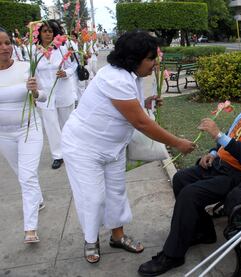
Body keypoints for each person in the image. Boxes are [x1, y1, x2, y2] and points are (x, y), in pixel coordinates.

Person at [61, 31, 196, 264]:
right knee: (92, 197)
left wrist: (146, 102)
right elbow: (141, 122)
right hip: (83, 147)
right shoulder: (115, 78)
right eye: (151, 59)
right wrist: (177, 143)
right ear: (134, 59)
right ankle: (91, 239)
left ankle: (118, 236)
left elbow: (127, 108)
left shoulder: (130, 76)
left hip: (112, 147)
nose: (154, 64)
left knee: (116, 192)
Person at [138, 73, 241, 276]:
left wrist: (218, 135)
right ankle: (204, 231)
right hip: (220, 166)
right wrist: (214, 153)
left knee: (190, 194)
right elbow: (229, 141)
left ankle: (173, 255)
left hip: (239, 177)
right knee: (181, 178)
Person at [0, 27, 47, 243]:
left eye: (7, 42)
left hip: (29, 129)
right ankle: (37, 199)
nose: (5, 48)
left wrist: (35, 91)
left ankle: (30, 228)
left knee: (27, 175)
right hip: (4, 134)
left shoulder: (26, 67)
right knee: (22, 174)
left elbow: (44, 96)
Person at [35, 20, 76, 169]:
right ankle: (58, 155)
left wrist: (65, 73)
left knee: (67, 124)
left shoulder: (61, 49)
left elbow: (74, 66)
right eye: (44, 31)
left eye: (50, 31)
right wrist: (34, 94)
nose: (47, 34)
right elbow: (33, 73)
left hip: (62, 91)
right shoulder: (34, 52)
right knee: (51, 125)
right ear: (39, 33)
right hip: (45, 95)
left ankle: (71, 150)